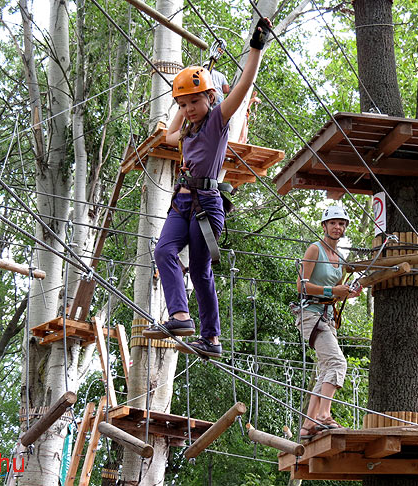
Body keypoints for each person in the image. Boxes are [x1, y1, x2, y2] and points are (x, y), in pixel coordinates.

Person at [141, 18, 273, 358]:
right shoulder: (187, 129)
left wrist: (256, 48)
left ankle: (211, 339)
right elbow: (169, 136)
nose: (188, 110)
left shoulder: (217, 121)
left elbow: (244, 86)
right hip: (181, 203)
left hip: (206, 204)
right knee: (163, 252)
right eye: (184, 105)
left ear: (210, 98)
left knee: (200, 270)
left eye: (193, 103)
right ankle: (181, 317)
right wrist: (179, 106)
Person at [296, 206, 362, 439]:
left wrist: (347, 293)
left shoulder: (341, 259)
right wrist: (332, 289)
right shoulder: (315, 249)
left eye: (341, 224)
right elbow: (301, 286)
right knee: (337, 363)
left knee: (326, 369)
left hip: (326, 316)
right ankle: (324, 416)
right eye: (333, 223)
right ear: (324, 226)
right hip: (310, 315)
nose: (337, 227)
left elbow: (335, 294)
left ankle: (308, 424)